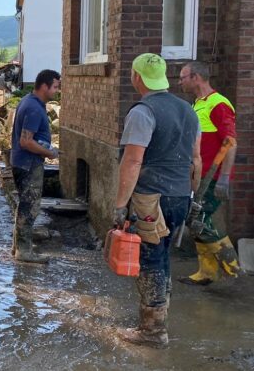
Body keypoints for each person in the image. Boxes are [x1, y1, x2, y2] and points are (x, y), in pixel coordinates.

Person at [113, 53, 201, 348]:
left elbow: (133, 161)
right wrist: (191, 195)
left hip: (151, 198)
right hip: (180, 195)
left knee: (151, 260)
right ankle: (158, 321)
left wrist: (120, 204)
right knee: (164, 257)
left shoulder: (143, 112)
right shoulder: (189, 110)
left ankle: (152, 332)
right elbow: (196, 161)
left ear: (137, 77)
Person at [177, 61, 241, 285]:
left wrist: (224, 178)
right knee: (196, 219)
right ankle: (207, 271)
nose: (180, 81)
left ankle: (233, 271)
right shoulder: (199, 104)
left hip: (213, 177)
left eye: (183, 77)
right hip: (199, 175)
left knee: (199, 219)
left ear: (196, 77)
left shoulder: (219, 104)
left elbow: (230, 142)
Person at [10, 69, 61, 264]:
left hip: (21, 162)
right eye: (55, 87)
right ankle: (24, 251)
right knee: (30, 207)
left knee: (24, 205)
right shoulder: (33, 108)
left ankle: (18, 247)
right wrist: (49, 153)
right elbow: (26, 141)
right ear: (44, 86)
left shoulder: (29, 101)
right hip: (29, 164)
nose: (56, 91)